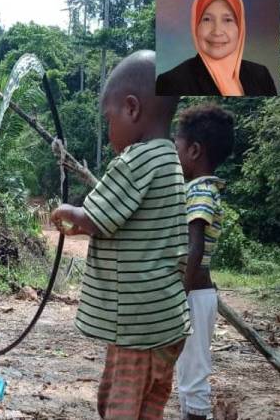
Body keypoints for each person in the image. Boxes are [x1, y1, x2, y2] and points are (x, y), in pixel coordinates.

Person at [51, 50, 191, 420]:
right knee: (147, 406)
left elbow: (94, 218)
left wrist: (67, 213)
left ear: (131, 109)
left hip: (138, 325)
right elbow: (130, 227)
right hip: (165, 322)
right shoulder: (169, 160)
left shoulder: (135, 161)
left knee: (119, 407)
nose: (108, 129)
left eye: (108, 118)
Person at [175, 105, 234, 420]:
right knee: (188, 373)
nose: (175, 156)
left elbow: (194, 246)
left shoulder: (200, 191)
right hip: (196, 295)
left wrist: (180, 296)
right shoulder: (201, 189)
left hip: (194, 296)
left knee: (193, 376)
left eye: (177, 149)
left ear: (194, 150)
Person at [156, 0, 277, 96]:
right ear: (195, 26)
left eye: (228, 20)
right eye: (207, 19)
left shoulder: (261, 75)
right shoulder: (171, 82)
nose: (217, 31)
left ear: (240, 27)